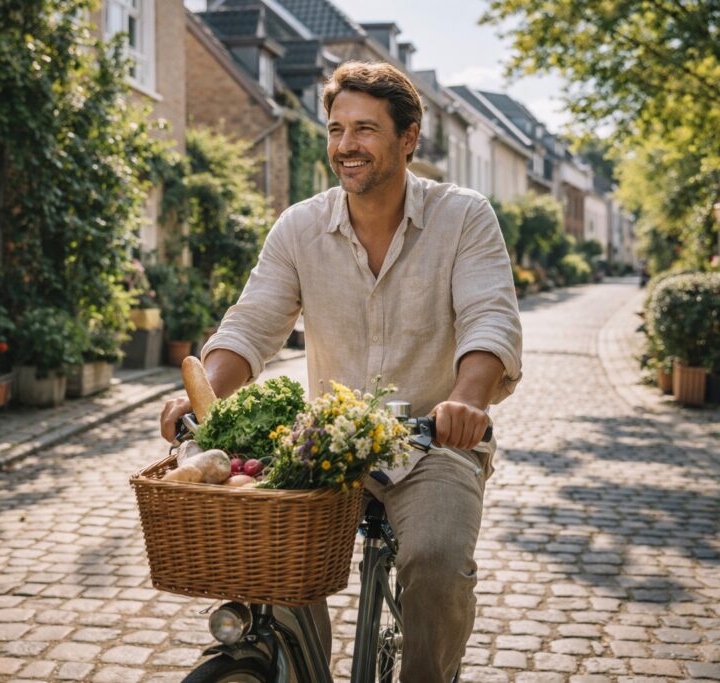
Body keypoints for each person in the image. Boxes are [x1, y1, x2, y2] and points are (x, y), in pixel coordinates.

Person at [160, 60, 522, 683]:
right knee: (274, 549)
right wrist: (204, 392)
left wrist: (467, 401)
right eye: (335, 130)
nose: (345, 146)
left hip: (433, 441)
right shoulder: (301, 226)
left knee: (436, 561)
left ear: (409, 138)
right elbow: (250, 327)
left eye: (365, 129)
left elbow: (490, 318)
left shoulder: (464, 217)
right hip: (325, 442)